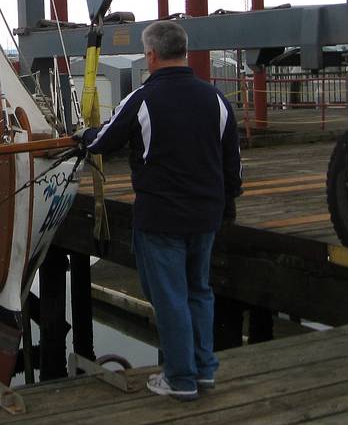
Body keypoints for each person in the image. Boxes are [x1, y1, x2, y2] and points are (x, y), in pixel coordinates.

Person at [75, 20, 242, 401]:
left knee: (169, 298)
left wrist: (80, 136)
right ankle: (203, 371)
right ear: (184, 51)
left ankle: (180, 378)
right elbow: (232, 161)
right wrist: (228, 203)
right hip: (207, 216)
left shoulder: (142, 99)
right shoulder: (216, 99)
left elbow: (102, 143)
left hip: (161, 217)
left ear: (150, 54)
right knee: (198, 291)